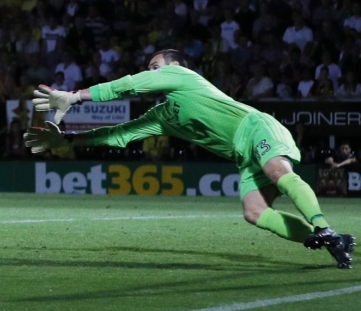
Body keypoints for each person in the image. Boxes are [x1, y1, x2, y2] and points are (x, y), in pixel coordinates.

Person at [25, 48, 355, 269]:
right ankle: (332, 241)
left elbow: (129, 85)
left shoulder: (186, 78)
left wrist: (76, 96)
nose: (150, 72)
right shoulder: (165, 114)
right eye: (149, 68)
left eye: (155, 67)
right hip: (242, 154)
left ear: (177, 67)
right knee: (254, 212)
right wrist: (67, 139)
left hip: (256, 128)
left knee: (275, 171)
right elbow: (120, 134)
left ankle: (322, 226)